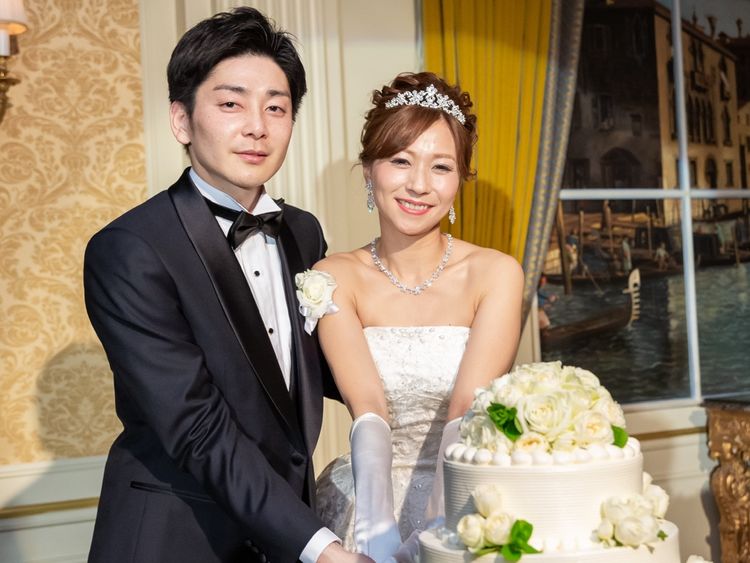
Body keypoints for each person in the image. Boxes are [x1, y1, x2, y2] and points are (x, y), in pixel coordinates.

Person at [83, 8, 368, 563]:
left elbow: (320, 368)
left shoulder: (303, 231)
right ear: (182, 120)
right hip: (177, 536)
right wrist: (322, 548)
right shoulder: (131, 249)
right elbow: (196, 427)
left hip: (284, 531)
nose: (258, 126)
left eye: (276, 107)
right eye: (231, 104)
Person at [313, 72, 524, 561]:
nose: (420, 185)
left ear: (460, 179)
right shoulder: (333, 277)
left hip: (465, 493)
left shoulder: (495, 273)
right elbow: (368, 407)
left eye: (441, 166)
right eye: (400, 160)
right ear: (369, 171)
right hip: (365, 497)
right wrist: (378, 532)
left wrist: (429, 537)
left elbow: (465, 411)